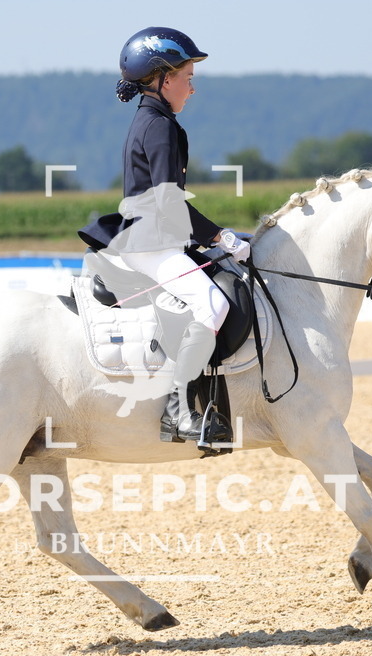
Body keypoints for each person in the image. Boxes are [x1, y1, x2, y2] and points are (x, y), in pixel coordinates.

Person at [78, 27, 250, 445]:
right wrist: (221, 237)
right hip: (149, 244)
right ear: (163, 78)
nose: (192, 88)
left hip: (157, 238)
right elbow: (169, 202)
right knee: (210, 305)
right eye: (188, 78)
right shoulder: (159, 127)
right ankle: (179, 410)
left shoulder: (154, 120)